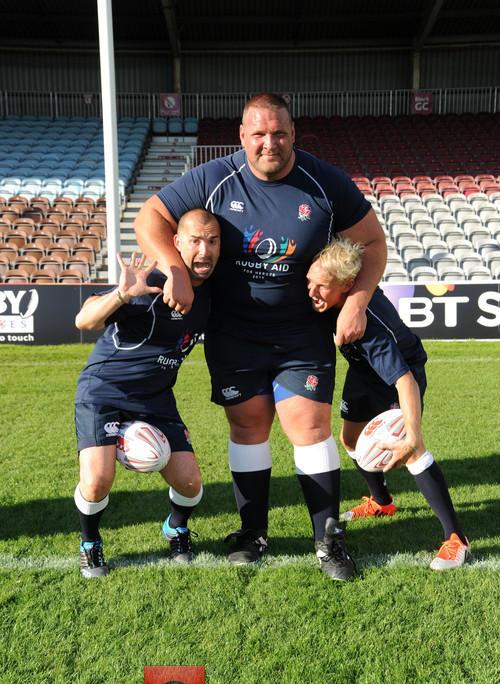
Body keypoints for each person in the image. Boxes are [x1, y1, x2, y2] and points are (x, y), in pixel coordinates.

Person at [134, 93, 387, 581]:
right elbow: (151, 218)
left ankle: (328, 540)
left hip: (301, 332)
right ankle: (252, 532)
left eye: (279, 133)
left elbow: (373, 243)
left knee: (309, 431)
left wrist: (355, 301)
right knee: (248, 429)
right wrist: (174, 269)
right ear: (242, 137)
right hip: (234, 333)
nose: (269, 142)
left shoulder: (324, 181)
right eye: (258, 134)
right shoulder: (214, 177)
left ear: (293, 134)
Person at [306, 237, 470, 570]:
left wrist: (412, 432)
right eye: (310, 282)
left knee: (411, 449)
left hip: (400, 377)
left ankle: (456, 539)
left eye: (322, 287)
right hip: (362, 371)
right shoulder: (332, 295)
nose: (312, 291)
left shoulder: (369, 330)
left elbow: (404, 380)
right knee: (350, 439)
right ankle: (382, 502)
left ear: (347, 286)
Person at [73, 209, 221, 577]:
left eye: (213, 241)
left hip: (155, 399)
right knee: (96, 482)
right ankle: (90, 543)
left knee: (190, 483)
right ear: (177, 244)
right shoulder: (154, 283)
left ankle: (176, 527)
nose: (205, 250)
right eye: (195, 241)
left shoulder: (214, 294)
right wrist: (122, 294)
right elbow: (84, 319)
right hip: (104, 392)